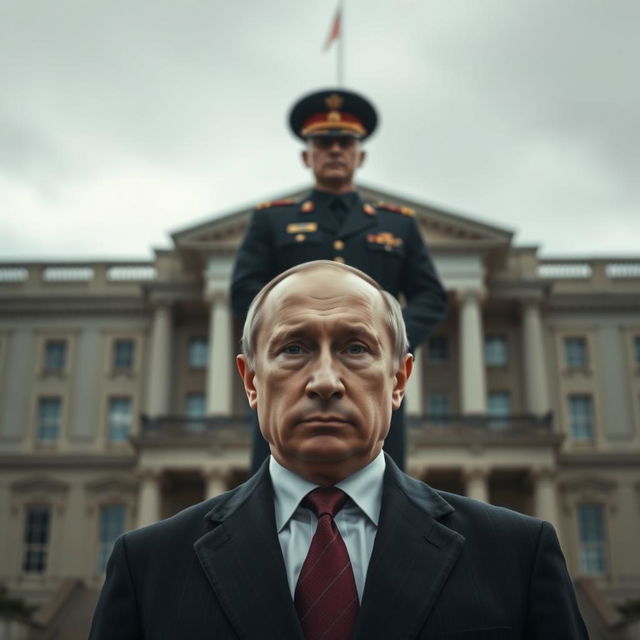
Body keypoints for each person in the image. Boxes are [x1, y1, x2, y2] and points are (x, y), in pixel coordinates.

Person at [90, 261, 588, 640]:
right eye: (293, 348)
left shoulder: (519, 557)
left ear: (398, 380)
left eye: (355, 348)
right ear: (250, 381)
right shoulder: (148, 566)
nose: (325, 381)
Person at [231, 88, 447, 473]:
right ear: (306, 156)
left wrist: (384, 340)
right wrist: (285, 339)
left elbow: (430, 296)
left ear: (359, 156)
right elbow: (246, 293)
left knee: (386, 493)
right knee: (269, 495)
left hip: (370, 379)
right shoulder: (272, 220)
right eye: (323, 142)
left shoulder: (398, 223)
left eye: (345, 142)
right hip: (292, 377)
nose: (334, 151)